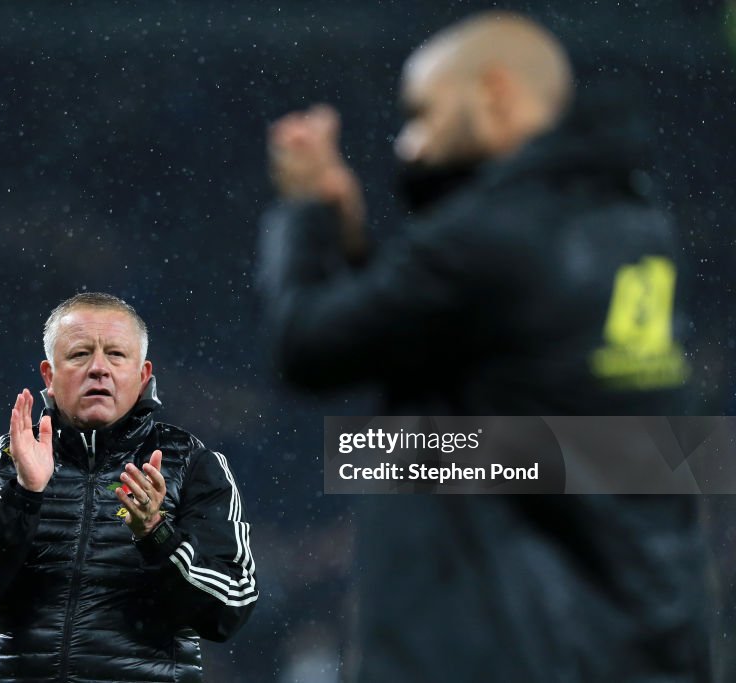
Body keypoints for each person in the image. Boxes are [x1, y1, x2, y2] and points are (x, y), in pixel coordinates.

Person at [259, 11, 710, 683]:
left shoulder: (495, 233)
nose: (410, 145)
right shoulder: (634, 219)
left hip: (509, 649)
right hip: (628, 634)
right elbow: (500, 387)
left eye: (423, 114)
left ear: (494, 91)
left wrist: (305, 215)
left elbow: (306, 346)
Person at [0, 292, 258, 683]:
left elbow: (229, 608)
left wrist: (158, 534)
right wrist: (22, 496)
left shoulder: (193, 464)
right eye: (80, 354)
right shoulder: (2, 461)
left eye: (116, 354)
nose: (99, 368)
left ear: (143, 374)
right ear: (49, 375)